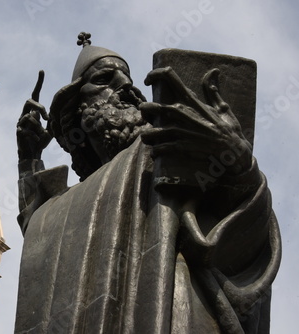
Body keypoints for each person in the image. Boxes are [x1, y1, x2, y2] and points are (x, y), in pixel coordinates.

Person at [15, 33, 281, 333]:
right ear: (77, 110)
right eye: (105, 78)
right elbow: (40, 245)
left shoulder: (170, 149)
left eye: (126, 77)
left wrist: (238, 162)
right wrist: (28, 162)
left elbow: (243, 230)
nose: (126, 86)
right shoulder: (64, 206)